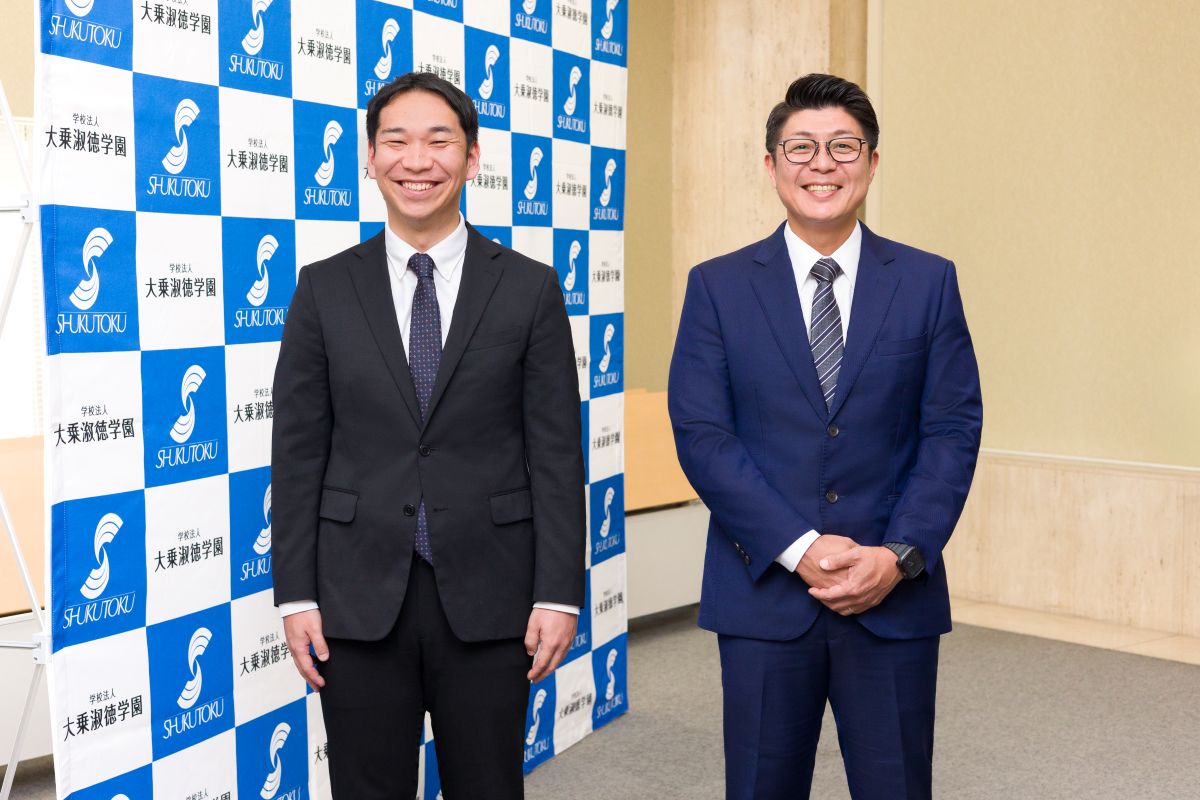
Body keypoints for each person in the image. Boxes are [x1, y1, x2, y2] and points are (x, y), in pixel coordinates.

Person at [271, 72, 585, 799]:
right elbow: (297, 453)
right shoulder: (323, 288)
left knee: (488, 785)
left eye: (439, 141)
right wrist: (295, 597)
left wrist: (558, 593)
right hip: (355, 595)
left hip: (493, 591)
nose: (418, 161)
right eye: (397, 141)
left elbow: (555, 453)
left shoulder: (529, 287)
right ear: (370, 159)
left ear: (471, 158)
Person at [668, 73, 983, 799]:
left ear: (871, 161)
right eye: (801, 147)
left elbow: (952, 429)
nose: (822, 164)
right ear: (771, 164)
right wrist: (800, 547)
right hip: (764, 595)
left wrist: (898, 556)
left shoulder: (928, 281)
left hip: (892, 594)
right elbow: (704, 435)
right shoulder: (717, 286)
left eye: (843, 146)